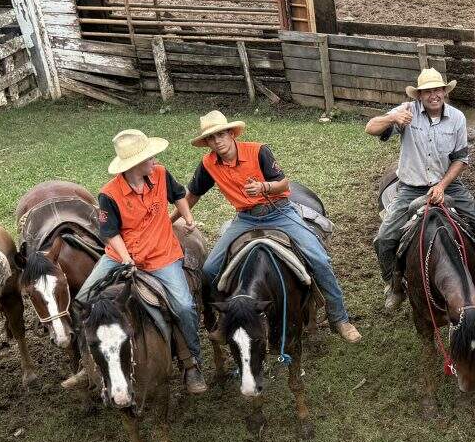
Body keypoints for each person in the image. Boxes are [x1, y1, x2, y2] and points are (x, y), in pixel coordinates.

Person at [183, 110, 360, 343]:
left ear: (231, 134)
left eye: (221, 135)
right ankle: (226, 319)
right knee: (209, 270)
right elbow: (193, 194)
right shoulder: (208, 164)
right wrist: (173, 219)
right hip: (245, 218)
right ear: (207, 143)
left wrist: (263, 187)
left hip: (279, 212)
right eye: (211, 138)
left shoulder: (258, 151)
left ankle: (340, 318)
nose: (217, 141)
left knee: (319, 259)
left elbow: (283, 183)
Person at [74, 129, 207, 395]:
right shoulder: (109, 194)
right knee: (81, 301)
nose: (154, 160)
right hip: (121, 256)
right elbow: (110, 233)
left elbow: (178, 194)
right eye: (149, 157)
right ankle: (87, 362)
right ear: (134, 165)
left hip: (161, 254)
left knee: (183, 306)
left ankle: (192, 362)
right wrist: (126, 259)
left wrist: (188, 217)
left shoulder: (161, 174)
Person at [366, 67, 475, 311]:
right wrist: (393, 118)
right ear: (419, 95)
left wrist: (442, 186)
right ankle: (394, 283)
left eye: (437, 90)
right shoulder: (406, 112)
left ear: (445, 92)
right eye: (427, 91)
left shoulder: (457, 118)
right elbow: (370, 127)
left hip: (449, 184)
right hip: (411, 188)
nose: (434, 95)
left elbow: (460, 159)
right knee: (384, 238)